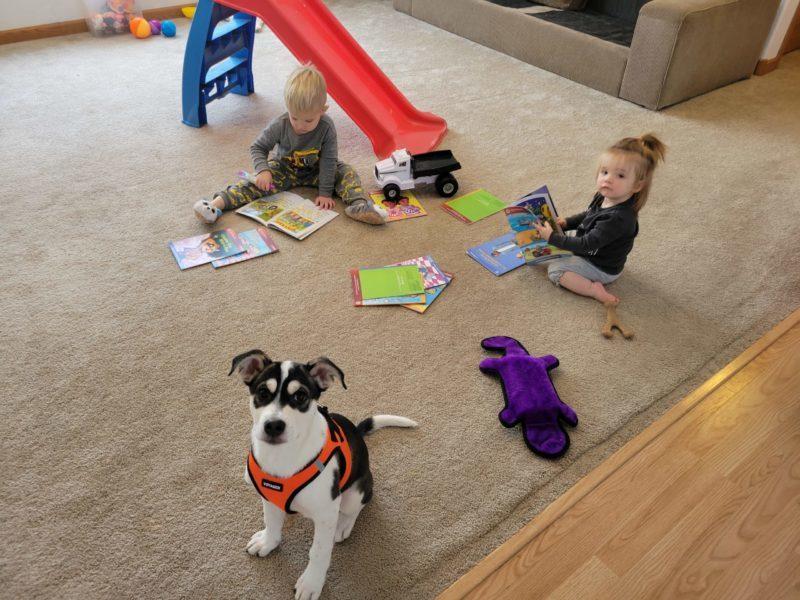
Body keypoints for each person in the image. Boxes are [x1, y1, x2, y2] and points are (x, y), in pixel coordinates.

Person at [193, 64, 386, 225]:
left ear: (322, 110)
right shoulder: (281, 123)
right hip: (284, 168)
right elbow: (258, 147)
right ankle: (215, 204)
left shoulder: (327, 127)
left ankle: (360, 206)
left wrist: (325, 193)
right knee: (253, 184)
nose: (300, 126)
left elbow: (329, 160)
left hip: (317, 170)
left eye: (308, 120)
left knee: (347, 172)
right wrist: (263, 170)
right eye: (295, 118)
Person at [534, 134, 666, 304]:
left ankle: (593, 290)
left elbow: (586, 244)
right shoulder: (605, 195)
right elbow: (589, 215)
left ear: (637, 185)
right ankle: (562, 242)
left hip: (601, 267)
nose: (608, 179)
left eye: (620, 176)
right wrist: (567, 223)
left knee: (555, 270)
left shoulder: (619, 218)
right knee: (560, 241)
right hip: (593, 248)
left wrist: (552, 238)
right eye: (605, 172)